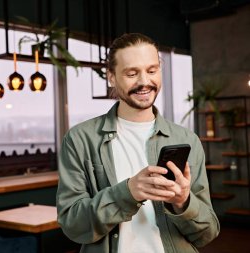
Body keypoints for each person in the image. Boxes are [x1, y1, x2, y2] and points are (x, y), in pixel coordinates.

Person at [56, 33, 219, 253]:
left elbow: (207, 233)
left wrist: (183, 201)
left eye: (152, 71)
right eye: (132, 73)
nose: (144, 82)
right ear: (111, 77)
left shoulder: (186, 140)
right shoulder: (80, 139)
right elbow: (72, 226)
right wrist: (127, 193)